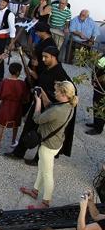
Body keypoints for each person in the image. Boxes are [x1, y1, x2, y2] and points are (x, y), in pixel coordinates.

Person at [6, 46, 74, 163]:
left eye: (46, 57)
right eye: (42, 56)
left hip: (49, 109)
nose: (43, 59)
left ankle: (38, 159)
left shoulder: (60, 73)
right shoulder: (47, 68)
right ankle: (19, 152)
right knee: (28, 128)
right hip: (38, 104)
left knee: (44, 134)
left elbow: (70, 91)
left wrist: (52, 101)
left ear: (53, 57)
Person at [19, 80, 76, 208]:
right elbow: (51, 106)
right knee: (42, 167)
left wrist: (38, 101)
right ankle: (35, 191)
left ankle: (46, 202)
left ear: (64, 94)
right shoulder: (69, 106)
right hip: (57, 142)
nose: (55, 93)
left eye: (57, 91)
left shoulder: (57, 111)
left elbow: (37, 119)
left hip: (48, 146)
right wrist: (43, 94)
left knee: (47, 174)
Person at [0, 63, 28, 151]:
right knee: (15, 125)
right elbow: (25, 98)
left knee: (1, 125)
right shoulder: (22, 83)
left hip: (5, 106)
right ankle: (13, 141)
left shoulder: (4, 81)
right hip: (16, 107)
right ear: (18, 72)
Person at [86, 56, 105, 135]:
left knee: (100, 107)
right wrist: (93, 79)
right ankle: (96, 123)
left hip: (102, 87)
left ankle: (98, 128)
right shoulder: (103, 56)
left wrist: (97, 80)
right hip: (98, 85)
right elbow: (97, 67)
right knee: (96, 104)